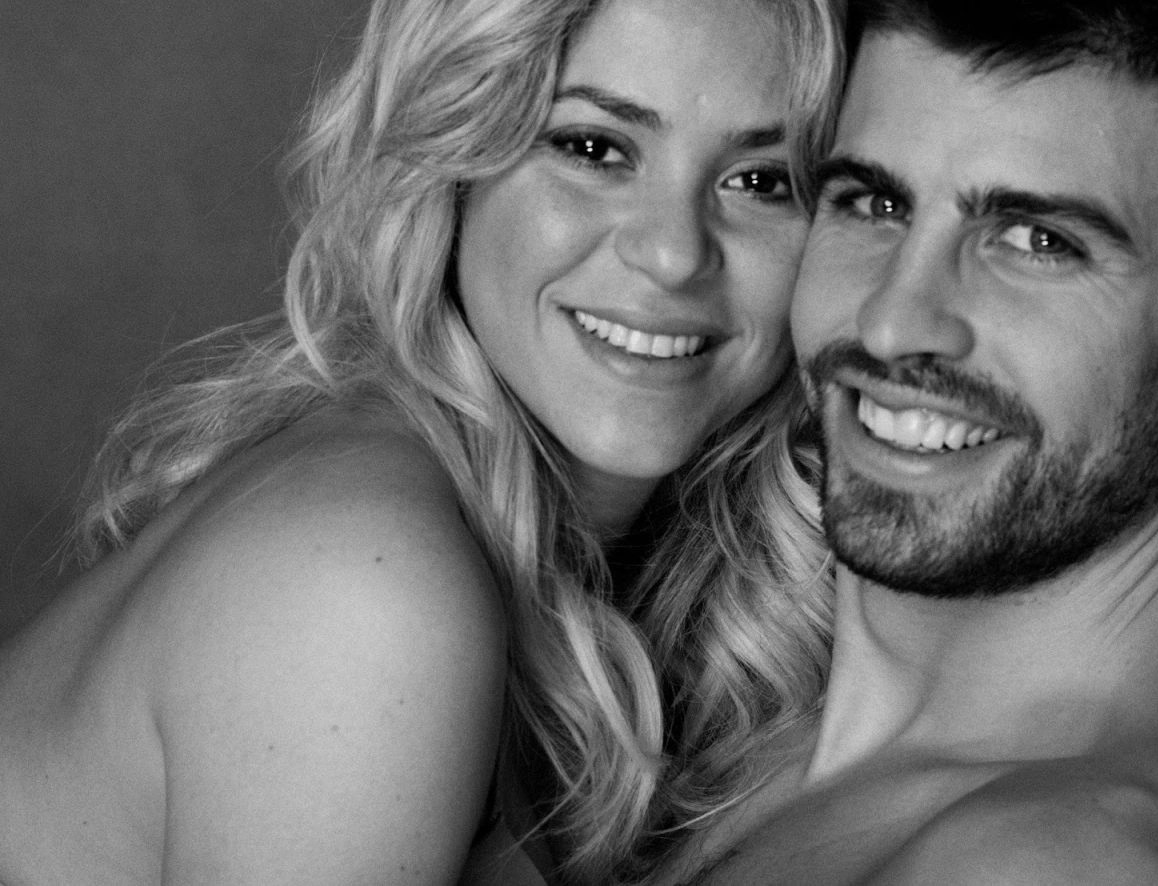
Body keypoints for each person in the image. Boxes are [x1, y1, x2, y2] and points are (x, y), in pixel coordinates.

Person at [0, 0, 844, 882]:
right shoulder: (364, 591)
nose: (674, 253)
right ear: (453, 160)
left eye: (763, 181)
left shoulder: (644, 588)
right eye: (593, 148)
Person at [643, 0, 1158, 881]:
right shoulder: (709, 685)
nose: (892, 322)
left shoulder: (1060, 866)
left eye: (1037, 241)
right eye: (874, 203)